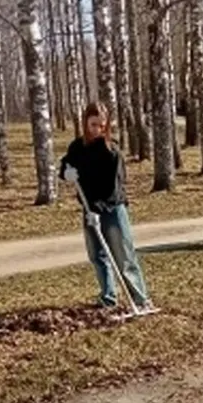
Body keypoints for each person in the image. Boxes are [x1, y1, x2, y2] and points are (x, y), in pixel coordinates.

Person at [59, 101, 155, 311]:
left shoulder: (111, 151)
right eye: (93, 124)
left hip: (112, 209)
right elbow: (66, 164)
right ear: (85, 123)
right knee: (98, 256)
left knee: (123, 256)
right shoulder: (77, 147)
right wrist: (66, 172)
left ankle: (140, 300)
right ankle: (108, 298)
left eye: (102, 125)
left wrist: (97, 210)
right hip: (89, 210)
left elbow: (113, 187)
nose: (97, 130)